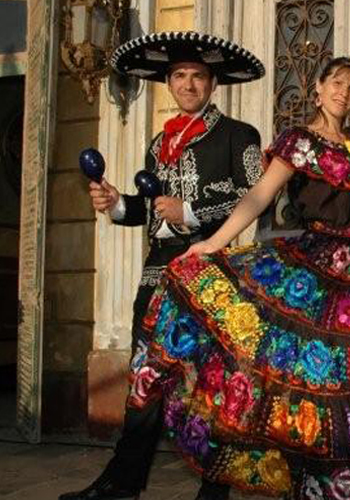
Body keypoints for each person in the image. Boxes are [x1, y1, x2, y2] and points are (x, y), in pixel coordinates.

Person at [125, 58, 350, 499]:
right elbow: (258, 196)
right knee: (318, 382)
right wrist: (214, 245)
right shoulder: (299, 143)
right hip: (316, 275)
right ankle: (313, 484)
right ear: (318, 89)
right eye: (337, 83)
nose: (344, 93)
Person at [64, 31, 265, 500]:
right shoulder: (159, 143)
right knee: (144, 380)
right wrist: (117, 205)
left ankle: (215, 490)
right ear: (168, 83)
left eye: (198, 76)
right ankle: (123, 480)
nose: (188, 84)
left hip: (213, 278)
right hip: (156, 278)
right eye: (179, 76)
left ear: (213, 83)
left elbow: (257, 197)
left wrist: (192, 211)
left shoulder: (241, 135)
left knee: (213, 383)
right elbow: (152, 209)